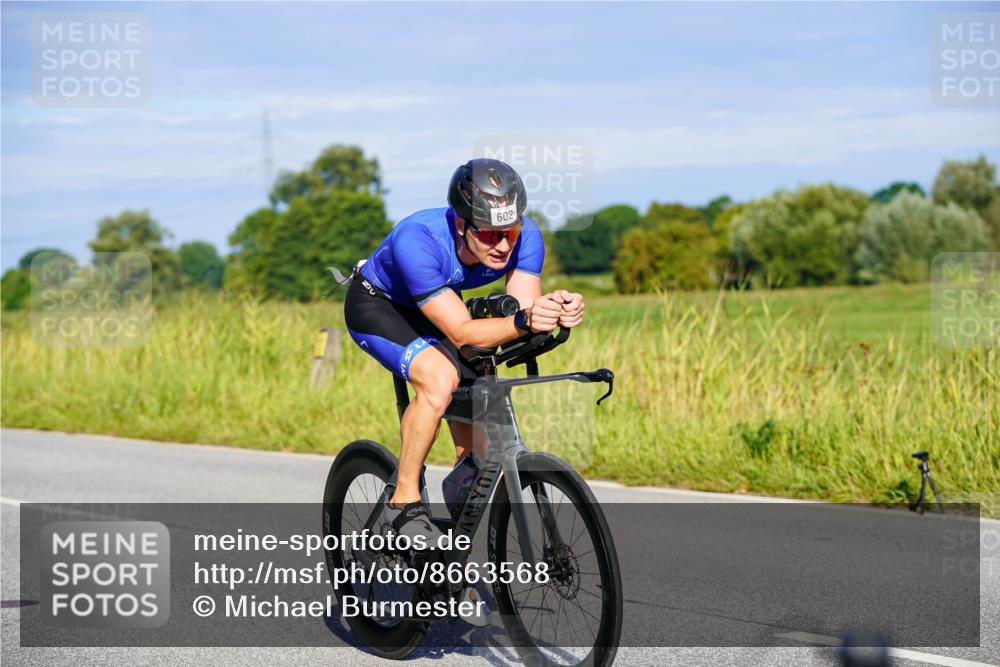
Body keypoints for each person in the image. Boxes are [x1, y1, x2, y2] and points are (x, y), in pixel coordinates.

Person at [343, 158, 585, 540]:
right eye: (489, 234)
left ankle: (452, 550)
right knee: (439, 380)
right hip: (380, 307)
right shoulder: (418, 239)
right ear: (461, 224)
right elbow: (461, 332)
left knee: (481, 438)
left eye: (510, 230)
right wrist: (523, 321)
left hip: (441, 305)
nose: (503, 244)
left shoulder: (525, 236)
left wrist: (553, 311)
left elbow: (521, 316)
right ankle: (402, 502)